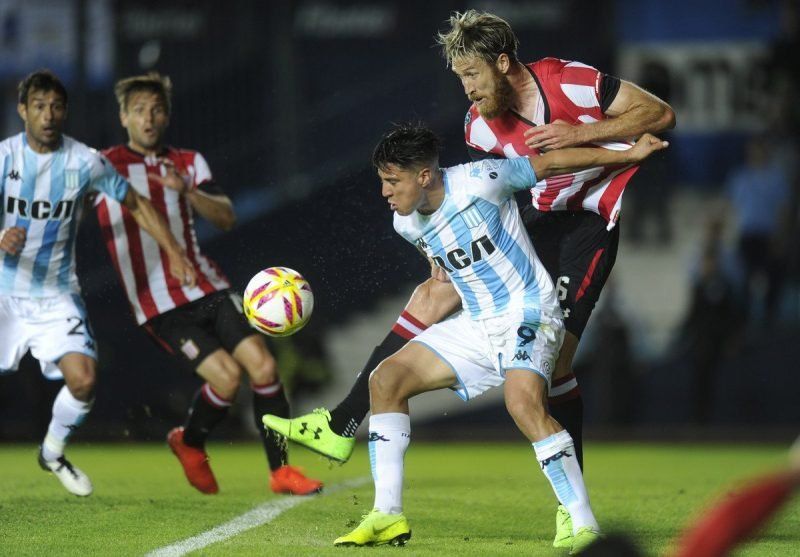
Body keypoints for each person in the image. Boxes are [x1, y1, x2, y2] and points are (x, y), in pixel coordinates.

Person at [264, 9, 675, 548]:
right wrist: (447, 248)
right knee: (434, 290)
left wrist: (583, 132)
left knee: (553, 367)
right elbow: (497, 190)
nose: (468, 90)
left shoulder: (566, 81)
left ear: (502, 63)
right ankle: (343, 422)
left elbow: (659, 114)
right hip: (538, 217)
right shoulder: (477, 126)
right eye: (459, 78)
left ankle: (573, 508)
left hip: (587, 222)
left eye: (473, 75)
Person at [331, 123, 667, 552]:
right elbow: (440, 257)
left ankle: (583, 523)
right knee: (386, 379)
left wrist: (627, 156)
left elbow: (552, 163)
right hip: (476, 323)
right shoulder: (405, 223)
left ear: (424, 175)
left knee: (522, 402)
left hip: (528, 311)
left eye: (392, 181)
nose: (384, 192)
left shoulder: (482, 181)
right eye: (382, 181)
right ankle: (386, 515)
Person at [93, 72, 321, 495]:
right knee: (227, 379)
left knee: (264, 367)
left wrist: (188, 192)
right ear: (123, 117)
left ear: (167, 115)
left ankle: (281, 471)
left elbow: (226, 217)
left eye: (157, 110)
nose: (149, 119)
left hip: (208, 286)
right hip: (159, 303)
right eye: (139, 110)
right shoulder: (103, 165)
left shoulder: (187, 162)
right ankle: (190, 442)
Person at [0, 69, 196, 497]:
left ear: (65, 111)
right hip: (3, 292)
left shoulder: (85, 162)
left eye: (56, 107)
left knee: (84, 380)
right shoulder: (4, 159)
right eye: (39, 106)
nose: (48, 115)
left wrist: (175, 252)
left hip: (56, 294)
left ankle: (52, 452)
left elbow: (136, 203)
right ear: (22, 111)